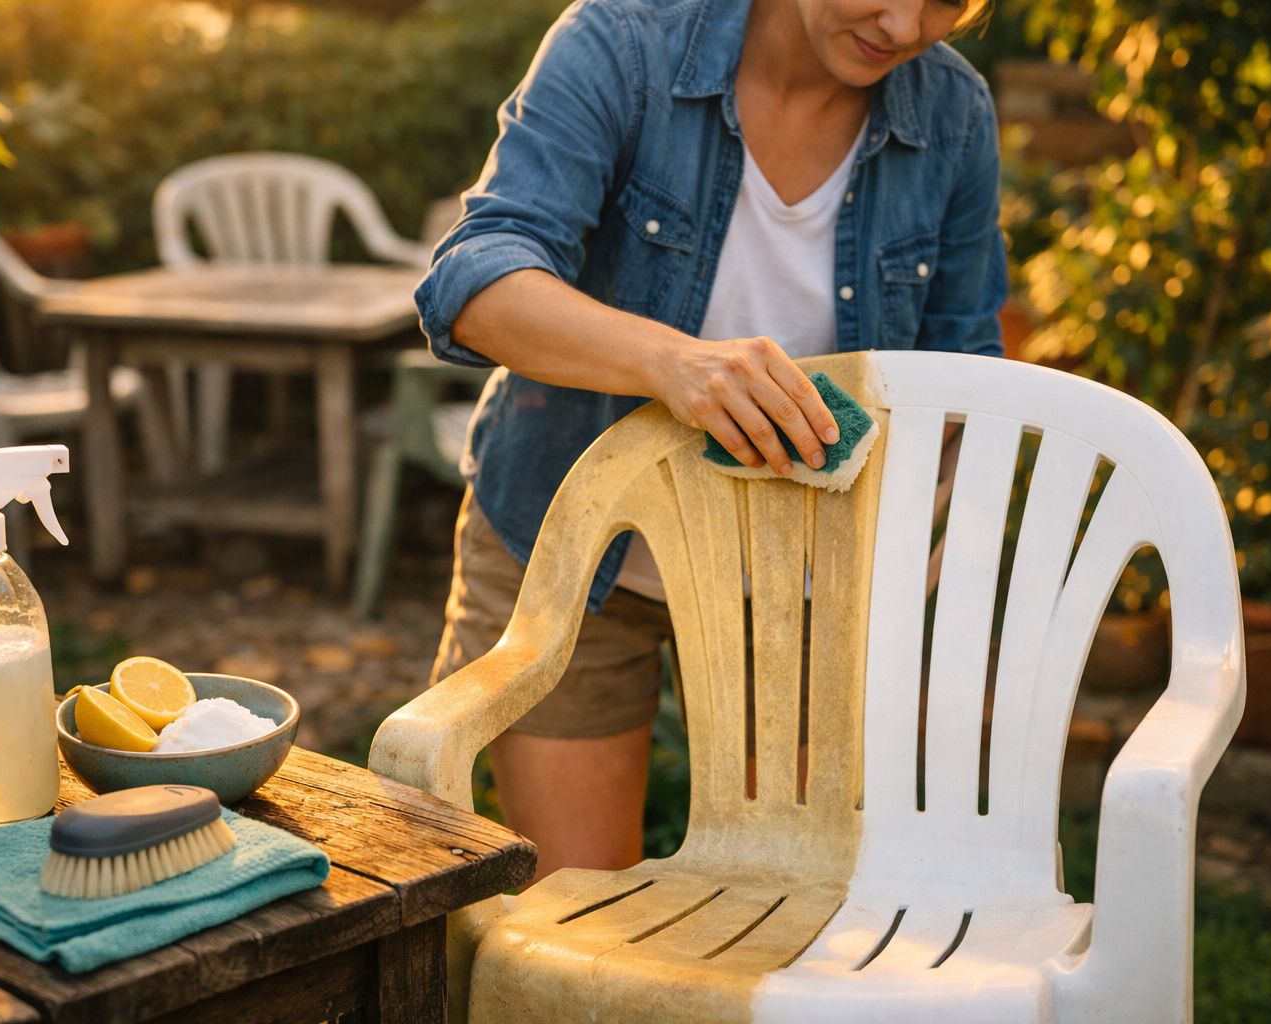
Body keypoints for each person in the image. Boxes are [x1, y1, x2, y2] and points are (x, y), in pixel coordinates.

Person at [414, 0, 1005, 884]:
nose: (904, 24)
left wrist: (932, 537)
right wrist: (672, 362)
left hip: (801, 581)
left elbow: (963, 364)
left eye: (947, 1)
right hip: (573, 553)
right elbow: (473, 283)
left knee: (782, 909)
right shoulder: (624, 45)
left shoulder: (953, 112)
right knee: (580, 919)